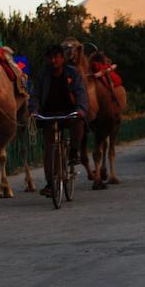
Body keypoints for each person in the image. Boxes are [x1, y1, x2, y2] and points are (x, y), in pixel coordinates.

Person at [29, 44, 89, 196]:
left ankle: (74, 152)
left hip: (70, 112)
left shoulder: (73, 74)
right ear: (47, 59)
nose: (54, 60)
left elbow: (81, 93)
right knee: (49, 149)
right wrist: (34, 111)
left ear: (62, 59)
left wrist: (81, 109)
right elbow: (35, 94)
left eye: (57, 57)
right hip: (48, 114)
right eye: (51, 57)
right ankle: (50, 183)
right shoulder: (43, 74)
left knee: (79, 123)